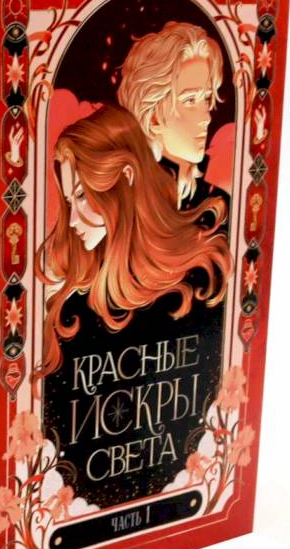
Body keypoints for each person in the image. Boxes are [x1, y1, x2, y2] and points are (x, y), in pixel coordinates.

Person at [34, 104, 231, 390]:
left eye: (82, 196)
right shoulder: (77, 303)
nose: (73, 219)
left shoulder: (197, 279)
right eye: (69, 202)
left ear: (126, 176)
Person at [117, 21, 228, 210]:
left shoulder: (218, 206)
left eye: (207, 99)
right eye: (190, 100)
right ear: (153, 117)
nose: (206, 118)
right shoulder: (124, 203)